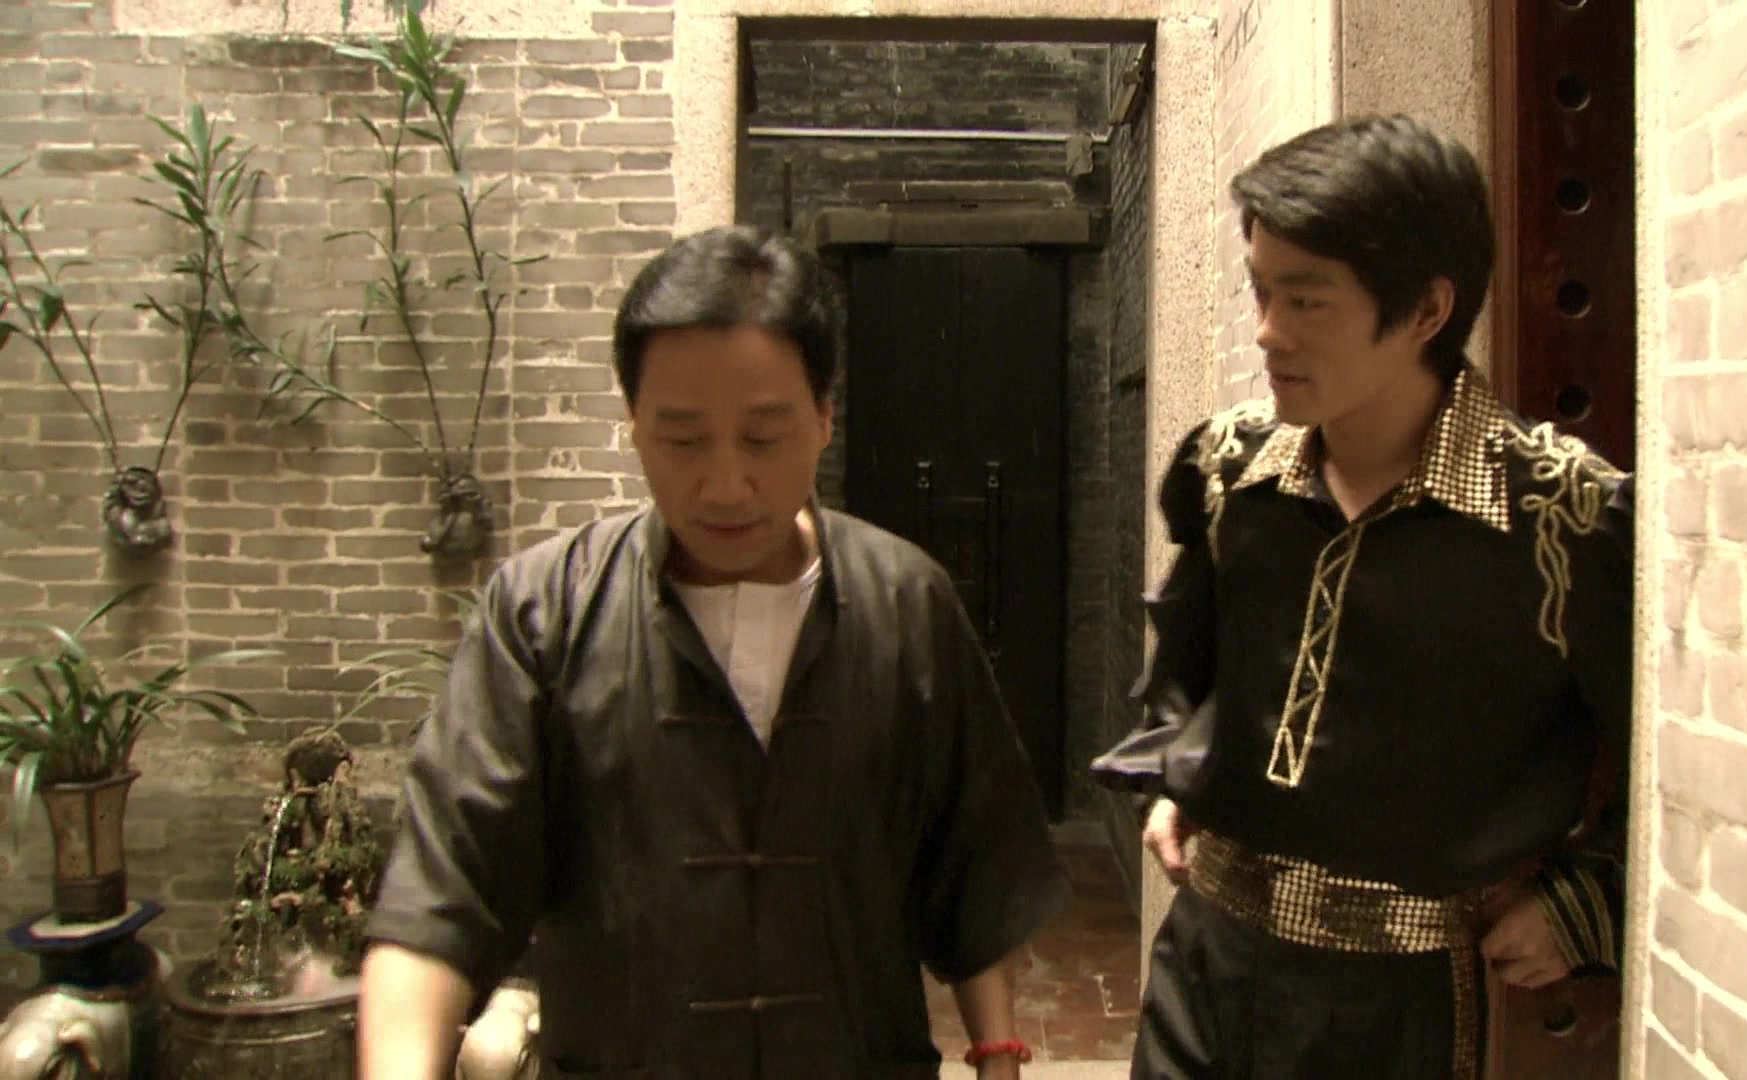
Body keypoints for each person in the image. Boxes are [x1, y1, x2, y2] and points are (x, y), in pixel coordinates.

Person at [359, 225, 1069, 1079]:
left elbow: (974, 866)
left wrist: (996, 1054)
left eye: (763, 437)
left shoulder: (906, 602)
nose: (726, 485)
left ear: (824, 418)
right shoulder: (544, 613)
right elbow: (442, 895)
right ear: (634, 425)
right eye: (683, 439)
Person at [1092, 114, 1633, 1079]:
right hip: (1205, 956)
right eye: (1261, 291)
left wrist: (1581, 902)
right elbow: (1190, 655)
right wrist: (1179, 772)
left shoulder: (1557, 511)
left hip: (1400, 997)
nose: (1268, 331)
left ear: (1426, 310)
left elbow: (1665, 770)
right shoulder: (1229, 465)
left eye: (1306, 300)